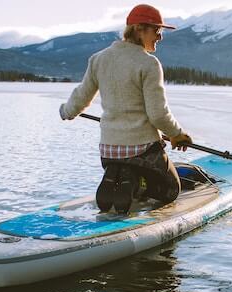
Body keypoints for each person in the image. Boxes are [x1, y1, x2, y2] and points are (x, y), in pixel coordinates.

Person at [59, 4, 193, 213]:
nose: (160, 37)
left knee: (124, 163)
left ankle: (120, 174)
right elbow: (158, 114)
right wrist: (177, 134)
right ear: (139, 28)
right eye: (156, 30)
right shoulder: (149, 64)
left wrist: (66, 111)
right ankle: (136, 183)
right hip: (143, 151)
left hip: (109, 151)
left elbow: (81, 96)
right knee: (170, 190)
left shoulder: (98, 59)